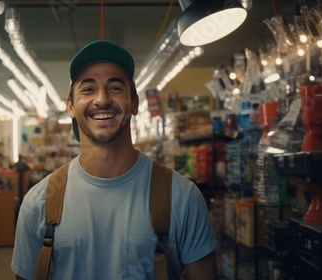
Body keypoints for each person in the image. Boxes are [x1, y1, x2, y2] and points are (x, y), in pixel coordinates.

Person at [11, 40, 218, 280]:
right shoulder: (39, 203)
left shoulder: (182, 197)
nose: (102, 99)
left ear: (135, 103)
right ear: (70, 106)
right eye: (87, 89)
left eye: (115, 88)